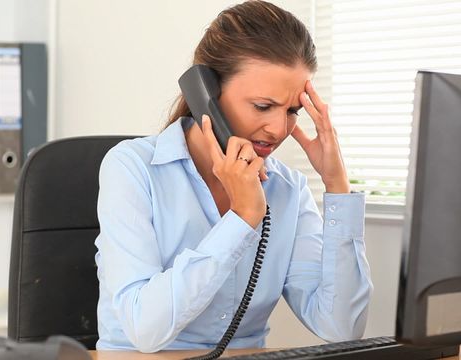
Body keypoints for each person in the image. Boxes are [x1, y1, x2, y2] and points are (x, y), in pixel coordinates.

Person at [94, 0, 372, 353]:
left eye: (292, 111)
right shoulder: (131, 169)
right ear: (205, 92)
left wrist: (338, 187)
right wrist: (241, 220)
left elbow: (341, 326)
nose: (277, 128)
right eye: (262, 106)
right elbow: (145, 329)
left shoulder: (288, 189)